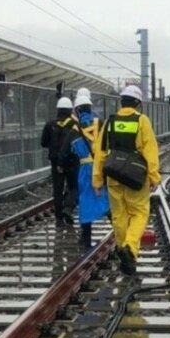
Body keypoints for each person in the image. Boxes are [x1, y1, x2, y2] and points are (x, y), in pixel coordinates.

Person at [93, 84, 160, 276]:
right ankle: (130, 248)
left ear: (121, 102)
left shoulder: (110, 121)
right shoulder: (141, 121)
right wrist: (154, 176)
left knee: (119, 216)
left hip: (113, 175)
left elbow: (100, 152)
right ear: (138, 103)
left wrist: (98, 180)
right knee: (139, 213)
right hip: (135, 176)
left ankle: (123, 249)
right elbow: (150, 150)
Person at [66, 88, 108, 249]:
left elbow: (65, 152)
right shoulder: (101, 123)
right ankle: (119, 230)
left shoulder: (75, 129)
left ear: (77, 110)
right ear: (90, 107)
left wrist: (63, 166)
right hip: (102, 165)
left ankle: (86, 238)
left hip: (85, 169)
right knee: (106, 197)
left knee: (85, 201)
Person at [40, 95, 77, 225]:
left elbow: (43, 143)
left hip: (55, 162)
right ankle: (68, 208)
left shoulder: (50, 125)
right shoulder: (74, 124)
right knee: (73, 187)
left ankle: (58, 219)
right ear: (70, 110)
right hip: (71, 161)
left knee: (57, 188)